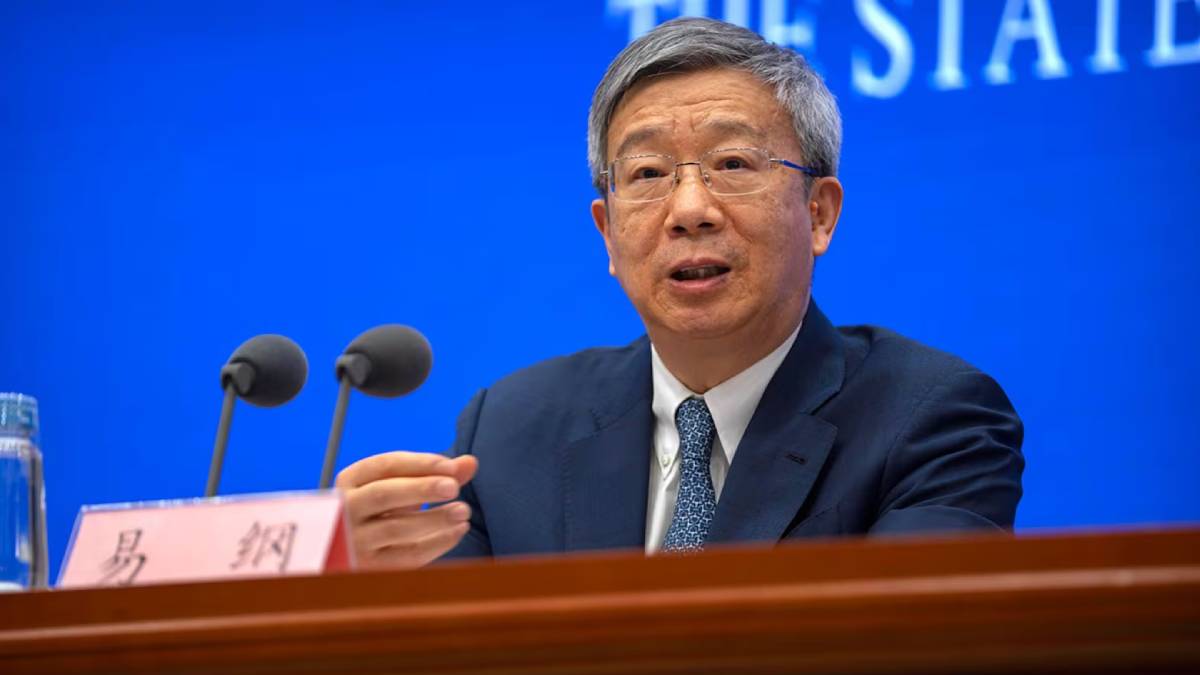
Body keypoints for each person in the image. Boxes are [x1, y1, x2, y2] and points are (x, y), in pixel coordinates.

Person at [334, 17, 1024, 569]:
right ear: (608, 233)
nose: (690, 208)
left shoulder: (933, 419)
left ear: (819, 214)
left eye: (733, 163)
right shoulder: (512, 429)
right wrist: (364, 579)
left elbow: (902, 642)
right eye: (647, 174)